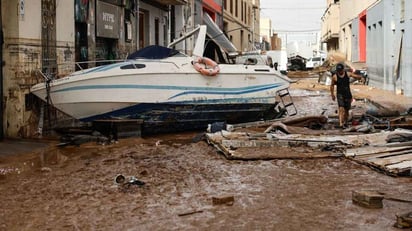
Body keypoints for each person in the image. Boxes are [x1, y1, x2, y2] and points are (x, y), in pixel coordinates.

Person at [330, 63, 363, 128]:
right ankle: (341, 123)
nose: (340, 72)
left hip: (347, 94)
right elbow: (332, 86)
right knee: (341, 108)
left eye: (340, 71)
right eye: (338, 71)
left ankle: (345, 122)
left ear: (343, 70)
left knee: (346, 110)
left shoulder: (347, 74)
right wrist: (332, 94)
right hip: (340, 94)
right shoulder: (335, 77)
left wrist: (361, 77)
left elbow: (355, 76)